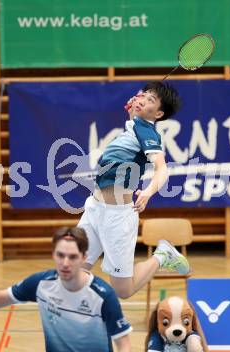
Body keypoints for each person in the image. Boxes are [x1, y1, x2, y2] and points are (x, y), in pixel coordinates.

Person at [79, 81, 190, 299]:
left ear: (158, 113)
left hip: (117, 217)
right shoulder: (135, 125)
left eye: (151, 100)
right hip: (94, 208)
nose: (143, 99)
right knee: (76, 269)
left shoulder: (147, 132)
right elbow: (135, 120)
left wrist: (148, 192)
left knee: (123, 290)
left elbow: (162, 168)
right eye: (144, 94)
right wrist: (134, 110)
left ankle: (163, 255)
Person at [0, 227, 132, 352]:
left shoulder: (103, 296)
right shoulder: (41, 284)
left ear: (84, 258)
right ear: (53, 255)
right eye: (60, 255)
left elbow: (124, 344)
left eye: (72, 257)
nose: (65, 263)